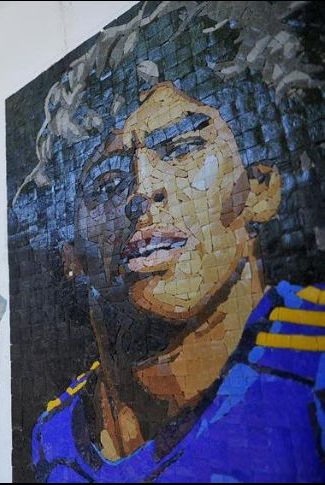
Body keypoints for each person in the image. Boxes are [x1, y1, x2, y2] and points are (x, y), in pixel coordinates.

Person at [22, 2, 325, 482]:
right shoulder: (55, 434)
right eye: (105, 182)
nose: (143, 191)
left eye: (183, 149)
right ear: (71, 256)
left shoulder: (312, 366)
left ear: (261, 188)